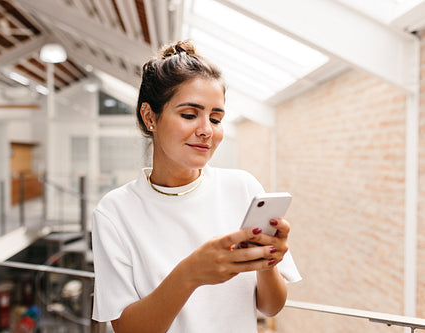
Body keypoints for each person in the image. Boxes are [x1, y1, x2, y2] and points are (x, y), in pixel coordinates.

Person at [91, 40, 301, 333]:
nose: (206, 130)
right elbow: (129, 328)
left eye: (216, 118)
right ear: (149, 116)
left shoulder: (242, 188)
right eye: (190, 114)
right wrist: (191, 273)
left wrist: (268, 262)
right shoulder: (116, 211)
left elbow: (269, 307)